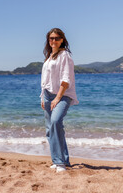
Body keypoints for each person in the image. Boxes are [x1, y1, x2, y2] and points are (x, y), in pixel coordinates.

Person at [40, 28, 79, 173]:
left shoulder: (65, 55)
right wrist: (42, 96)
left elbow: (66, 79)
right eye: (51, 38)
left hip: (63, 95)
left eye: (56, 38)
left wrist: (57, 98)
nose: (53, 41)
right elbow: (45, 80)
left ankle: (59, 162)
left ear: (62, 39)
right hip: (48, 95)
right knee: (52, 129)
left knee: (56, 122)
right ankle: (63, 160)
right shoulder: (49, 57)